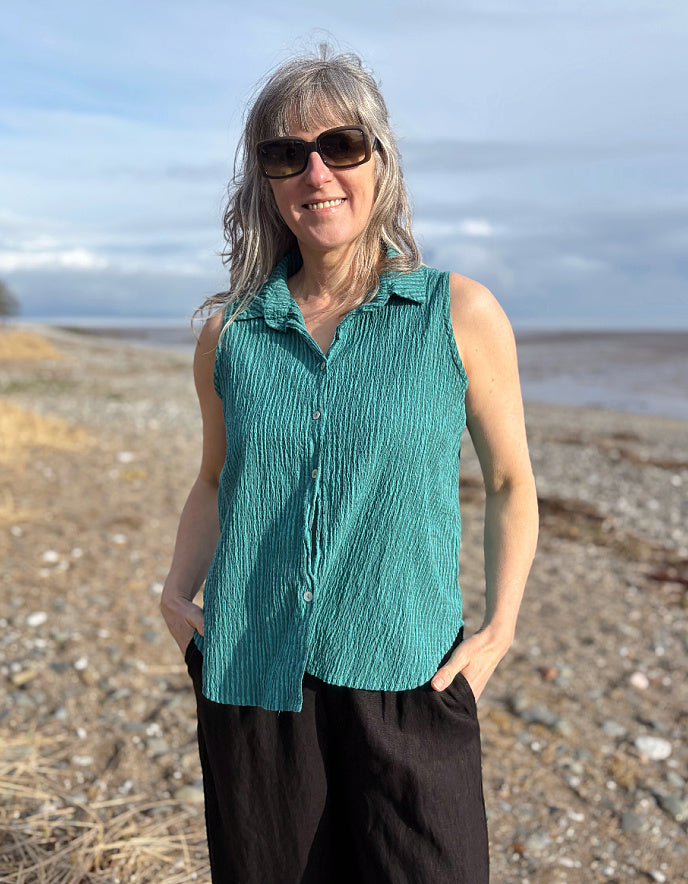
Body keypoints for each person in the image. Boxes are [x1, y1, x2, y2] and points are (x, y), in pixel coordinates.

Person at [160, 43, 538, 884]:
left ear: (381, 161)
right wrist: (175, 593)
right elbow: (216, 476)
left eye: (342, 146)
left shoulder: (460, 313)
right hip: (252, 680)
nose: (316, 173)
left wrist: (501, 630)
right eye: (286, 154)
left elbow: (512, 483)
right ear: (265, 180)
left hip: (409, 676)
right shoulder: (231, 334)